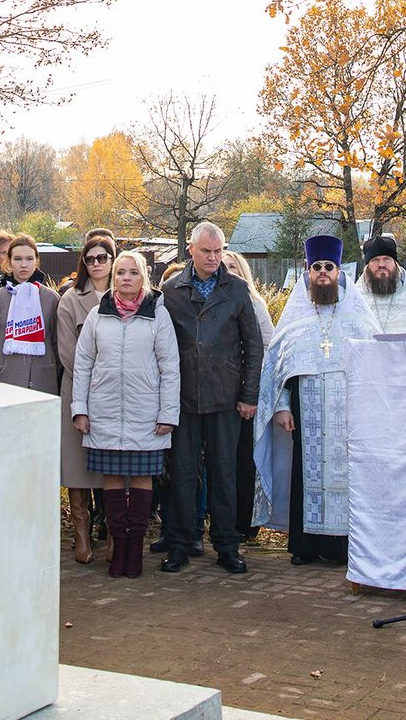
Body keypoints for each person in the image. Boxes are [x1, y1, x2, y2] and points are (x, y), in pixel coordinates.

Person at [252, 236, 379, 567]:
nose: (322, 273)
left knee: (345, 476)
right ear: (307, 273)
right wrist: (280, 405)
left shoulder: (358, 318)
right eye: (316, 267)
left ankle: (342, 547)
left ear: (339, 272)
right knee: (305, 475)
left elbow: (374, 367)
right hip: (304, 412)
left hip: (347, 415)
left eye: (329, 267)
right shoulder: (296, 318)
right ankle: (305, 546)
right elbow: (276, 367)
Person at [158, 221, 264, 573]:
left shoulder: (236, 289)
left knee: (224, 473)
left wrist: (249, 395)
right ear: (191, 249)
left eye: (219, 251)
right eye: (207, 251)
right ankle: (179, 544)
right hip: (184, 398)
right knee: (182, 474)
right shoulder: (171, 291)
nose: (214, 258)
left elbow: (253, 343)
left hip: (225, 396)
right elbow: (159, 346)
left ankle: (227, 545)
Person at [71, 250, 180, 578]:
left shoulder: (157, 315)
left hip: (145, 414)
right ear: (113, 277)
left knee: (143, 480)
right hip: (103, 413)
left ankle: (134, 551)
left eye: (133, 272)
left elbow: (170, 367)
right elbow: (83, 364)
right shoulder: (97, 315)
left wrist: (168, 413)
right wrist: (80, 409)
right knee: (113, 480)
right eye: (120, 273)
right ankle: (117, 546)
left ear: (143, 277)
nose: (126, 278)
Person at [57, 236, 116, 564]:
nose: (97, 263)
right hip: (78, 391)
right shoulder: (70, 300)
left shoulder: (124, 295)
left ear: (112, 259)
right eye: (90, 258)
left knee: (109, 463)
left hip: (114, 394)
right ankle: (81, 531)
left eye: (103, 257)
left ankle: (110, 531)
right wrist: (89, 390)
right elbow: (68, 352)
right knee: (78, 464)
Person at [221, 250, 276, 543]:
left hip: (246, 392)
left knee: (244, 459)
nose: (228, 272)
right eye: (223, 267)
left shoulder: (255, 303)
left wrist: (251, 388)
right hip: (220, 392)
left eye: (233, 267)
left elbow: (268, 346)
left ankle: (245, 521)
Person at [0, 234, 62, 399]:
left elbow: (57, 342)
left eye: (29, 259)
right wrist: (0, 366)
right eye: (17, 259)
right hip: (5, 380)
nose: (24, 265)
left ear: (36, 261)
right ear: (9, 262)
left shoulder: (51, 298)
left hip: (42, 379)